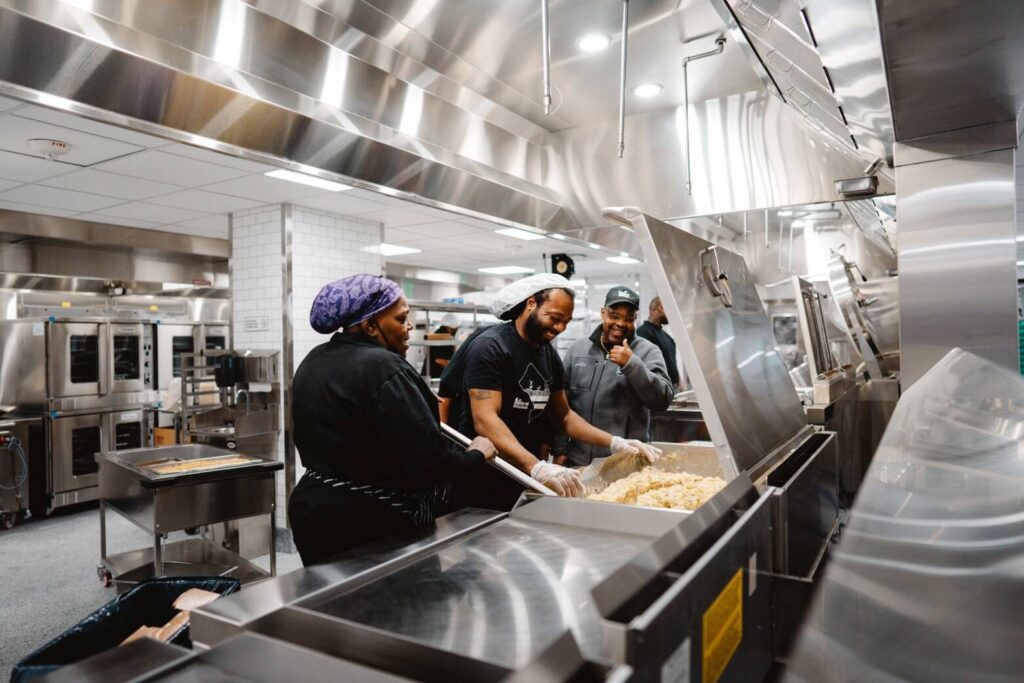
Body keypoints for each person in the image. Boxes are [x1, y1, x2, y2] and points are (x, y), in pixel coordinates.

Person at [288, 274, 497, 566]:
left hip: (313, 510)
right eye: (401, 319)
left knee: (328, 603)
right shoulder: (384, 367)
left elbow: (349, 422)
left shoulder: (314, 360)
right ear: (370, 325)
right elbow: (431, 465)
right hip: (373, 519)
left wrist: (415, 399)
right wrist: (477, 454)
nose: (409, 327)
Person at [455, 274, 662, 509]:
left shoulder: (548, 354)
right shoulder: (492, 347)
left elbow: (563, 415)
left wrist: (614, 442)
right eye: (554, 318)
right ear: (531, 304)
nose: (560, 328)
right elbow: (485, 419)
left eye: (566, 321)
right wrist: (537, 466)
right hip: (489, 471)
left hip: (524, 474)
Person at [555, 286, 674, 466]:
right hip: (578, 461)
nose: (620, 323)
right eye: (614, 316)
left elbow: (662, 399)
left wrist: (632, 364)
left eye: (628, 318)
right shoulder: (577, 350)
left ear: (635, 319)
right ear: (603, 313)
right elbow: (562, 405)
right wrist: (560, 449)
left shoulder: (648, 351)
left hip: (625, 462)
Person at [636, 296, 681, 388]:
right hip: (656, 390)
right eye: (669, 308)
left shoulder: (667, 337)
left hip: (670, 389)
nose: (671, 314)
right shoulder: (642, 333)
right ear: (661, 308)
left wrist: (678, 379)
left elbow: (670, 362)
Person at [425, 313, 459, 379]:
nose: (457, 330)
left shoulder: (439, 333)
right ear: (452, 327)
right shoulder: (444, 336)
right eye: (456, 328)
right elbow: (439, 360)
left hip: (430, 375)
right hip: (435, 377)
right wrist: (456, 370)